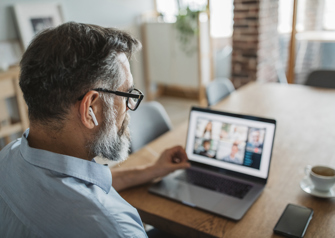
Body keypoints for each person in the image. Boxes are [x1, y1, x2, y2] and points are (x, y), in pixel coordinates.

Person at [0, 22, 190, 238]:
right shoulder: (114, 229)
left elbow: (78, 184)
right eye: (126, 95)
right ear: (90, 108)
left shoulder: (8, 155)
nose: (129, 109)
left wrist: (151, 171)